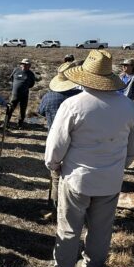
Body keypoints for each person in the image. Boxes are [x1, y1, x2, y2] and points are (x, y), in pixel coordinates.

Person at [44, 50, 134, 267]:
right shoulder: (129, 107)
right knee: (101, 230)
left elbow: (56, 146)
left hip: (76, 179)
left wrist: (54, 165)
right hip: (110, 181)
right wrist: (119, 166)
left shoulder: (73, 105)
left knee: (69, 229)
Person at [38, 61, 82, 209]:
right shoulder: (80, 97)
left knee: (56, 175)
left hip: (54, 140)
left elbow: (41, 112)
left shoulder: (48, 97)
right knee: (73, 176)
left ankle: (56, 209)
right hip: (76, 142)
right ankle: (70, 207)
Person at [6, 58, 37, 128]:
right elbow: (12, 78)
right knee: (10, 108)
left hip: (24, 95)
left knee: (22, 110)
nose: (24, 65)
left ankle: (20, 124)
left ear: (29, 66)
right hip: (14, 94)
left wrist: (24, 87)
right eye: (23, 64)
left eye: (26, 64)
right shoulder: (16, 70)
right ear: (21, 64)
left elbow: (32, 84)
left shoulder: (31, 74)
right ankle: (6, 123)